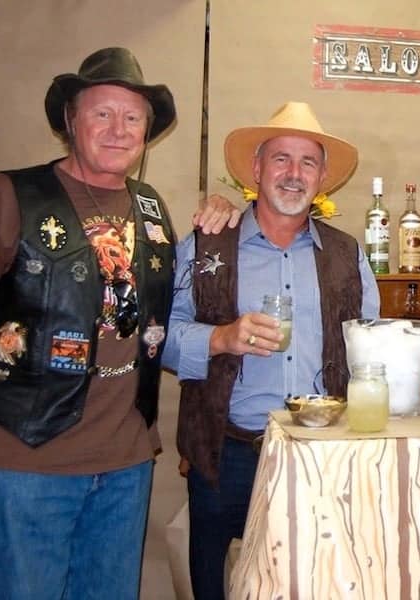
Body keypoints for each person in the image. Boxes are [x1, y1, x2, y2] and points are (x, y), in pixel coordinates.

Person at [0, 47, 238, 600]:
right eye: (101, 113)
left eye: (133, 118)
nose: (118, 129)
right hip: (29, 457)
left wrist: (222, 215)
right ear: (69, 122)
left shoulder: (150, 207)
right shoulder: (15, 194)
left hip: (126, 461)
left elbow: (175, 303)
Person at [163, 101, 381, 599]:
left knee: (318, 582)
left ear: (322, 178)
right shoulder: (205, 245)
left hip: (322, 454)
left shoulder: (348, 253)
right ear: (256, 169)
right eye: (281, 158)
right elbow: (160, 340)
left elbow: (370, 349)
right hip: (227, 452)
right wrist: (219, 338)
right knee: (215, 585)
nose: (294, 173)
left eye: (308, 162)